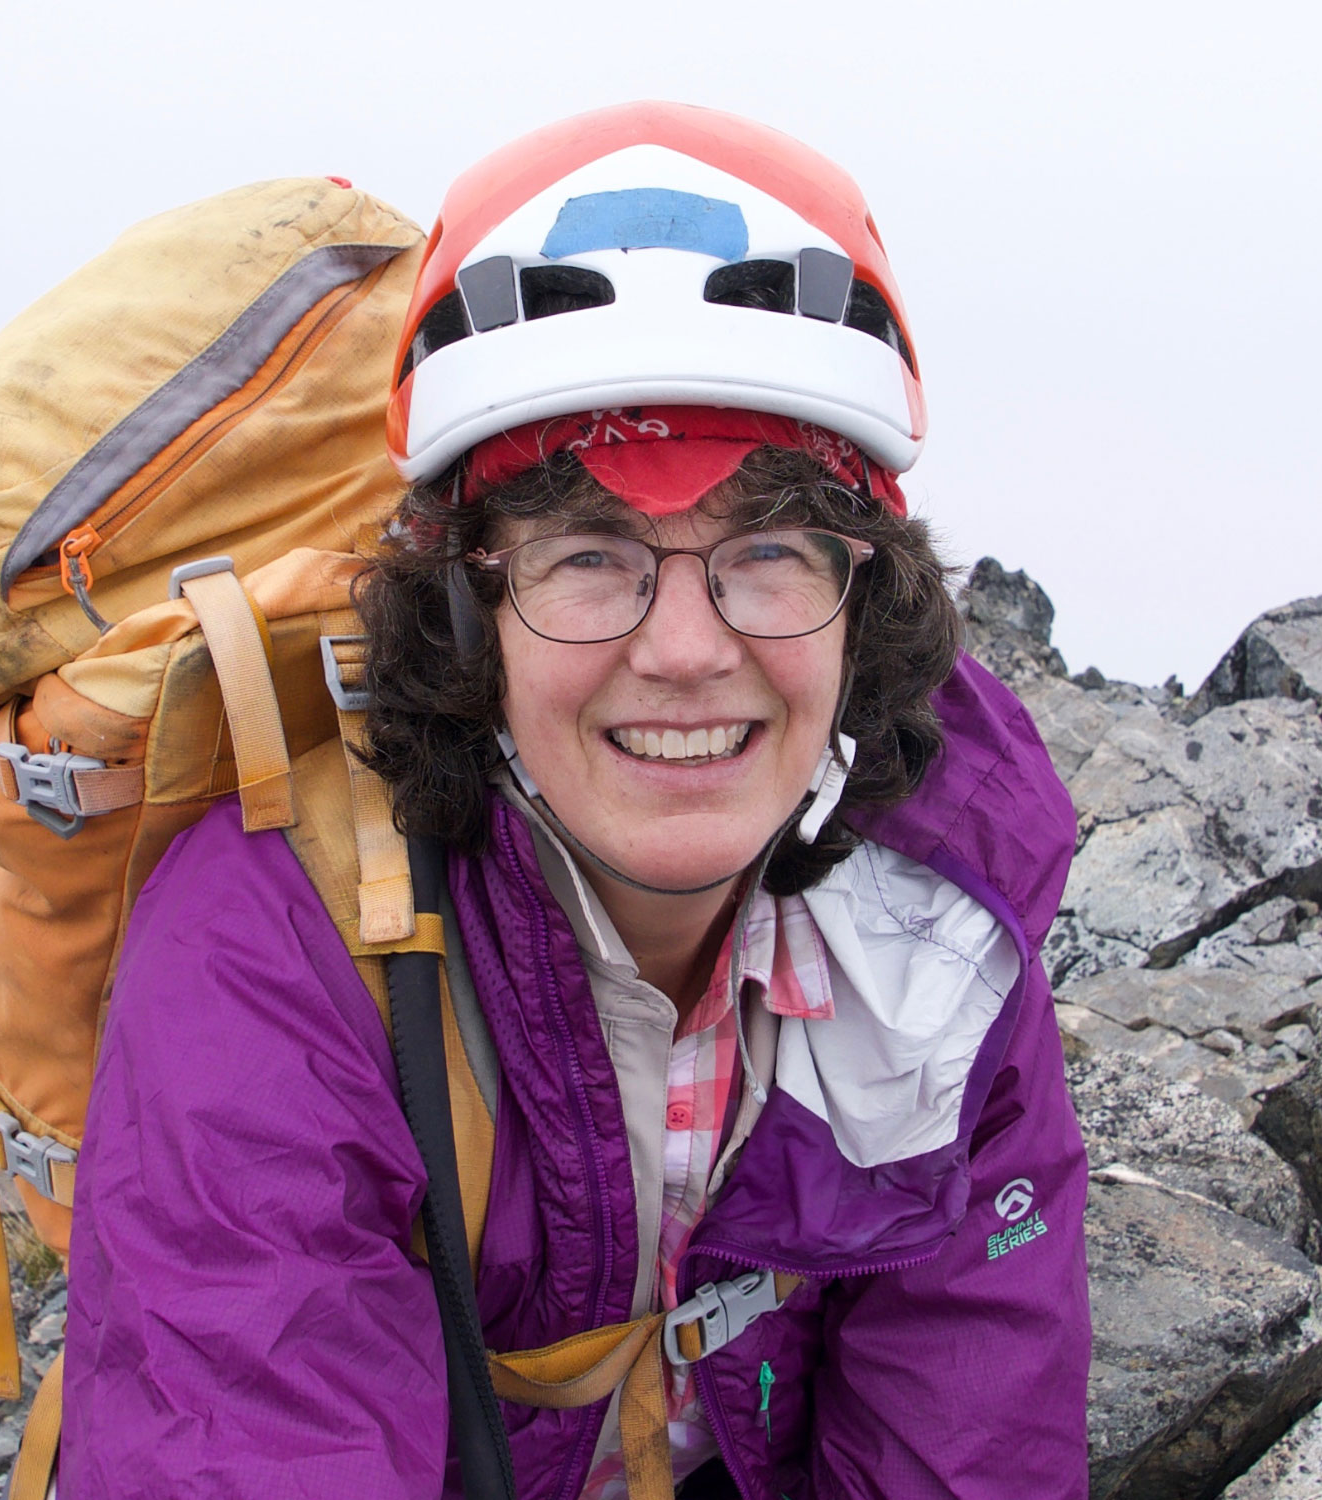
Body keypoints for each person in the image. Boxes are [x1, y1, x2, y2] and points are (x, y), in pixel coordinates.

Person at [61, 102, 1090, 1498]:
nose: (682, 649)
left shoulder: (943, 931)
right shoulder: (273, 943)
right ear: (465, 608)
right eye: (590, 557)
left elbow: (964, 1433)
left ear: (869, 606)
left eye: (772, 551)